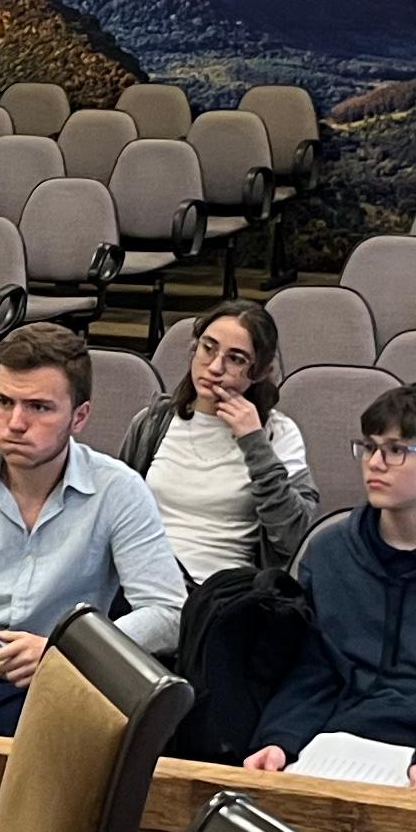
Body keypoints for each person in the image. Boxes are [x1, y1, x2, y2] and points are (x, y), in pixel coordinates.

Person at [0, 322, 188, 735]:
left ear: (79, 417)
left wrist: (67, 648)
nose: (15, 423)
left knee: (47, 731)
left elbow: (169, 612)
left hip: (52, 680)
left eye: (39, 407)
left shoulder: (118, 490)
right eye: (4, 402)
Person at [241, 381, 416, 787]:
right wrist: (279, 740)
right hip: (331, 741)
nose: (375, 462)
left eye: (396, 450)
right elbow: (312, 668)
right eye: (369, 447)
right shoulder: (330, 552)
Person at [109, 300, 318, 758]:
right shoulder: (155, 422)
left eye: (236, 358)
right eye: (208, 348)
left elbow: (293, 536)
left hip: (220, 597)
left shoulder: (278, 434)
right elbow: (117, 507)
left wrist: (253, 443)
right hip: (141, 581)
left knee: (101, 651)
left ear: (260, 372)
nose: (216, 367)